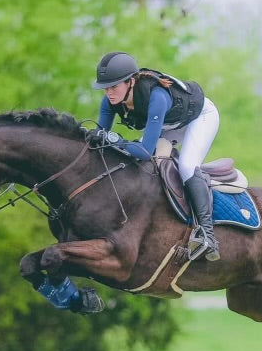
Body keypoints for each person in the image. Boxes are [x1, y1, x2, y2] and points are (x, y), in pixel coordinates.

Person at [91, 51, 221, 261]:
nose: (109, 93)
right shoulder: (110, 102)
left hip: (200, 117)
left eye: (114, 86)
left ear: (131, 82)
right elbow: (100, 140)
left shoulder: (156, 96)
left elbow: (142, 151)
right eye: (106, 88)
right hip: (170, 123)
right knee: (148, 165)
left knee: (187, 166)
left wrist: (114, 140)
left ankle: (208, 235)